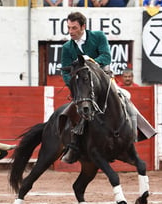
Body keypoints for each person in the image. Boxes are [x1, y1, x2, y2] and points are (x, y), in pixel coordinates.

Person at [61, 12, 156, 164]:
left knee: (124, 96)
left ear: (83, 26)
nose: (70, 31)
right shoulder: (67, 47)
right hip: (83, 85)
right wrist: (73, 87)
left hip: (103, 79)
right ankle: (73, 146)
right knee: (73, 110)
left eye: (74, 28)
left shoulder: (98, 36)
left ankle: (135, 131)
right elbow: (64, 70)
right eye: (69, 28)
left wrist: (89, 63)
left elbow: (106, 57)